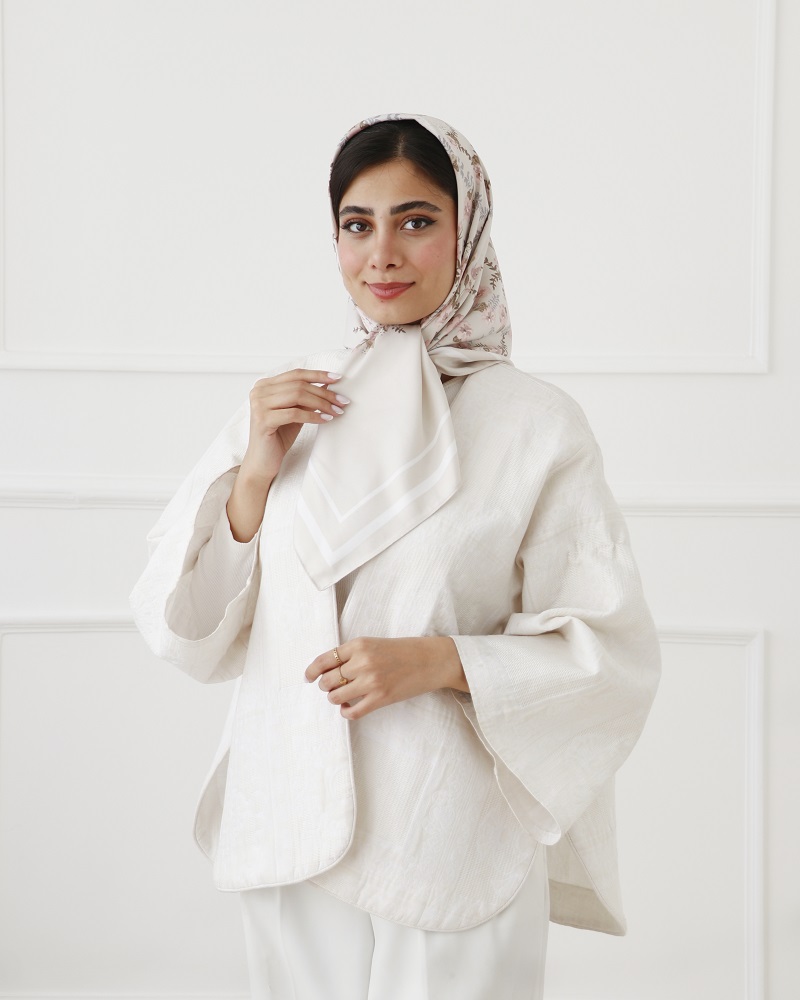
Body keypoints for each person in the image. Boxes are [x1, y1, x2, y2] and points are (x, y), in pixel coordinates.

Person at [130, 113, 661, 1000]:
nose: (381, 254)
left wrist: (442, 661)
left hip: (450, 833)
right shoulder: (291, 404)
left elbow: (609, 652)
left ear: (468, 230)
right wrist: (255, 474)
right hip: (287, 819)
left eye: (416, 221)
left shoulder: (535, 424)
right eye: (357, 224)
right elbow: (183, 628)